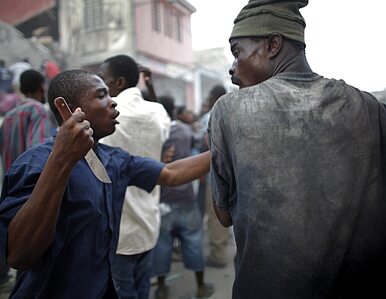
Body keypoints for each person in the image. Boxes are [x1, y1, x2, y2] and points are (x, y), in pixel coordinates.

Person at [208, 1, 386, 298]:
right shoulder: (370, 109)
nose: (232, 67)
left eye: (237, 52)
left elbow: (224, 215)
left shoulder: (230, 110)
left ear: (273, 44)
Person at [0, 69, 210, 298]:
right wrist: (61, 161)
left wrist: (223, 150)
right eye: (101, 95)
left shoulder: (113, 159)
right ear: (67, 108)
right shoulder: (36, 164)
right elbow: (19, 255)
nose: (113, 103)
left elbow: (170, 173)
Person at [98, 55, 171, 299]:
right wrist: (149, 87)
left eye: (103, 81)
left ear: (118, 82)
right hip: (148, 222)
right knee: (142, 289)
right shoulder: (156, 111)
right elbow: (163, 118)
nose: (101, 87)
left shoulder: (106, 114)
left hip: (120, 230)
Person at [152, 96, 214, 299]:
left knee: (162, 244)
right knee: (194, 240)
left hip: (162, 198)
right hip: (186, 195)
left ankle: (161, 288)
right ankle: (201, 286)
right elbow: (201, 144)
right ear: (175, 111)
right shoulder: (185, 130)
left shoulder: (154, 130)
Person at [0, 69, 54, 172]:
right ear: (42, 87)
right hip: (27, 182)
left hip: (10, 183)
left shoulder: (8, 116)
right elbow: (39, 151)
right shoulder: (37, 109)